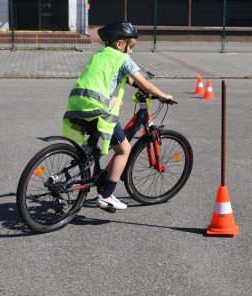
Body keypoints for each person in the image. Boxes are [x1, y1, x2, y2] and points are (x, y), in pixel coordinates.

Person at [62, 21, 172, 211]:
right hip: (97, 106)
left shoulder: (99, 56)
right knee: (123, 150)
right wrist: (163, 96)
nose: (131, 52)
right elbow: (145, 85)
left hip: (77, 102)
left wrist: (129, 82)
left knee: (113, 105)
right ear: (120, 43)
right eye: (131, 47)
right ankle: (106, 196)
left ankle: (89, 147)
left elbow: (110, 77)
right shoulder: (122, 59)